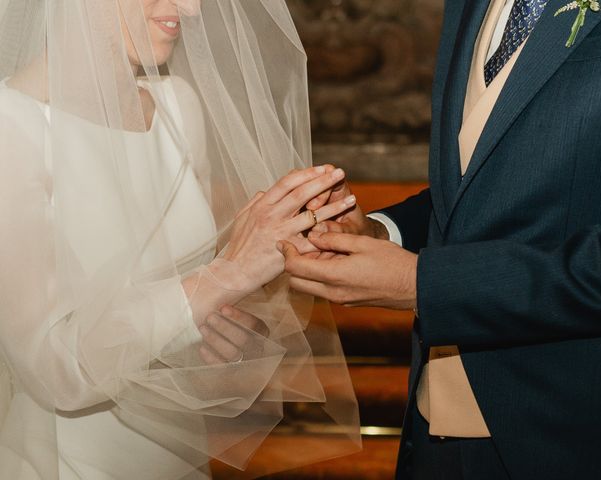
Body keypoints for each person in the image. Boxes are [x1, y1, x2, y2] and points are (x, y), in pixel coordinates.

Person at [0, 0, 360, 478]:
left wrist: (227, 328)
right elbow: (53, 373)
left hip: (180, 458)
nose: (190, 9)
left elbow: (180, 303)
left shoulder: (177, 104)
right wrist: (224, 278)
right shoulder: (12, 128)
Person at [280, 0, 601, 478]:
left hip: (577, 435)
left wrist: (424, 285)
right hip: (435, 428)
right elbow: (483, 186)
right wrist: (377, 231)